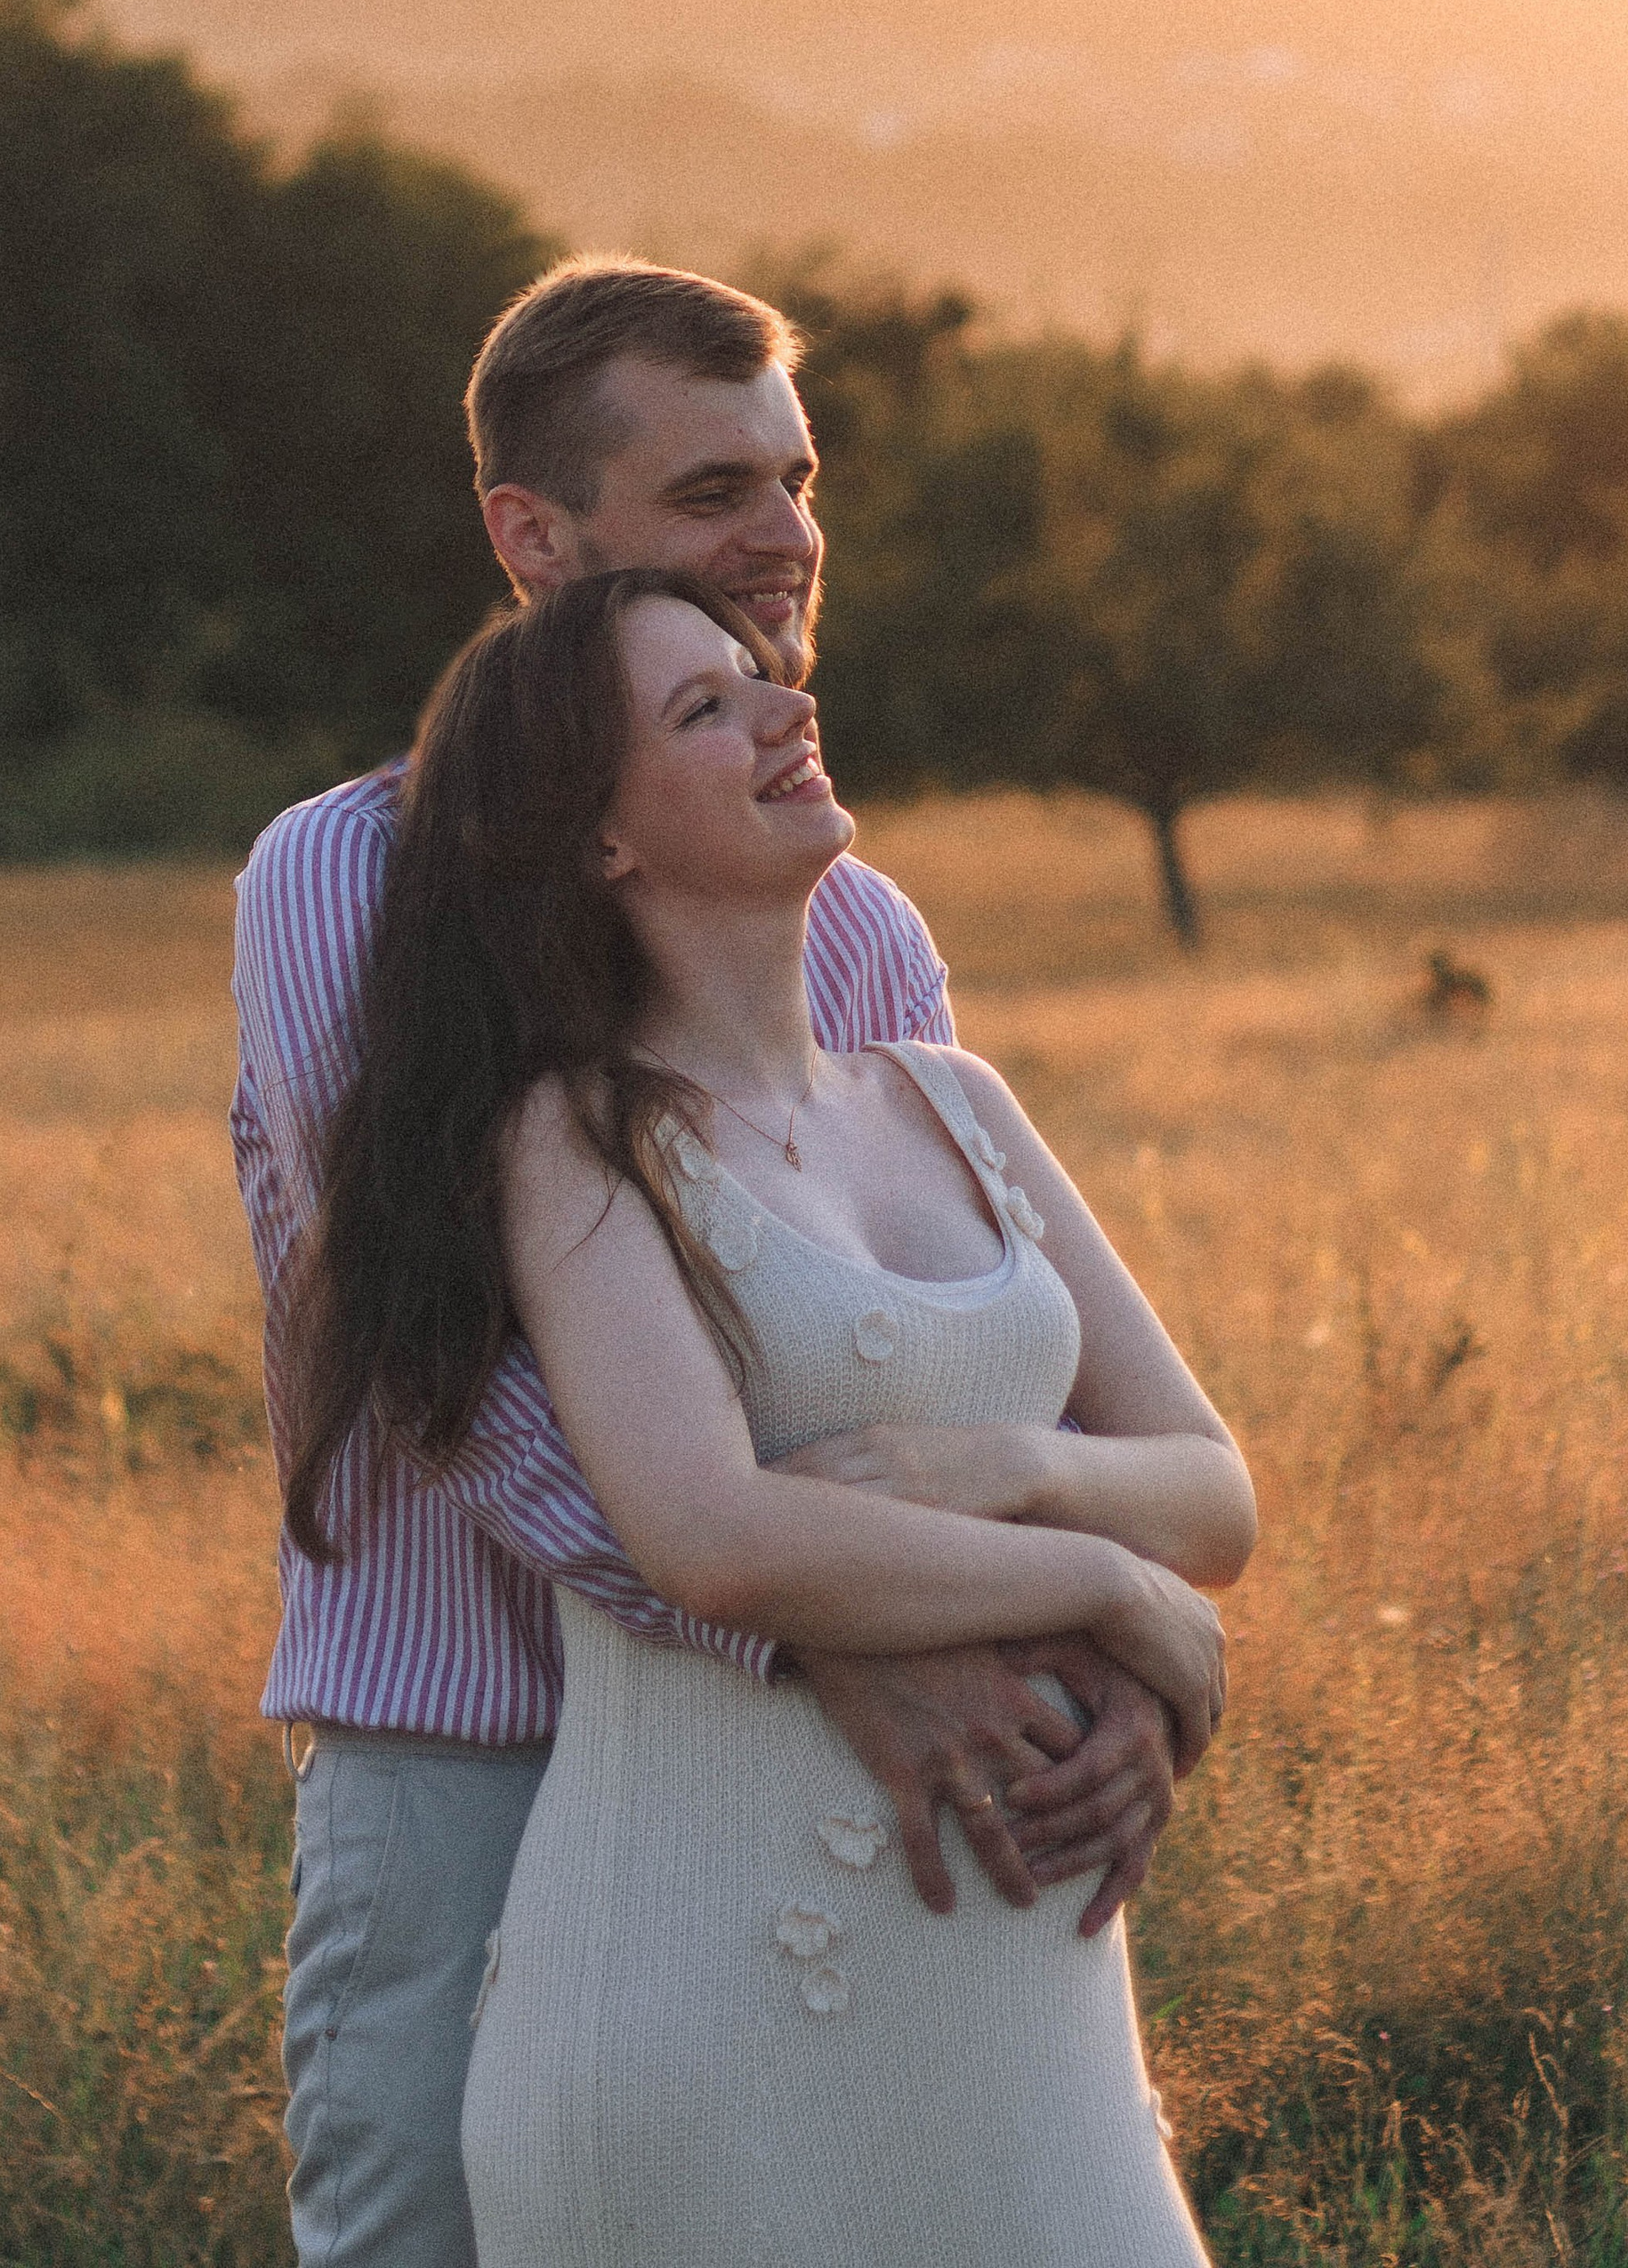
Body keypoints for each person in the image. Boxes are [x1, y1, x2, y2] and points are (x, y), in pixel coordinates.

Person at [230, 257, 1189, 2264]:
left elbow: (933, 1394)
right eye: (709, 492)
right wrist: (813, 1617)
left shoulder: (863, 931)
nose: (785, 538)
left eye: (797, 473)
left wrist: (1063, 1645)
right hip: (472, 1758)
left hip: (829, 1797)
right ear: (531, 535)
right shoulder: (340, 877)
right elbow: (448, 1380)